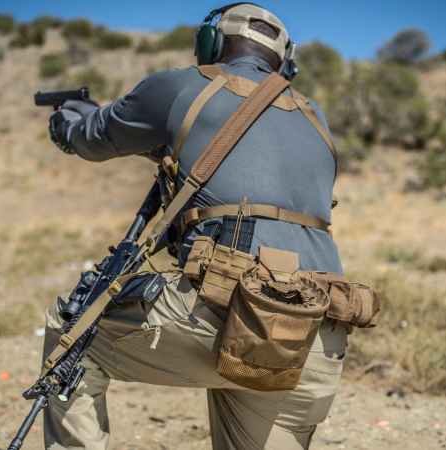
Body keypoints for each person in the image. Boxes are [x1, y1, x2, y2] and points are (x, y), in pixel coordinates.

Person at [46, 3, 347, 449]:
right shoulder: (313, 116)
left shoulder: (182, 86)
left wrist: (68, 120)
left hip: (228, 311)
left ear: (211, 42)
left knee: (71, 330)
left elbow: (94, 137)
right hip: (314, 335)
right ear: (285, 62)